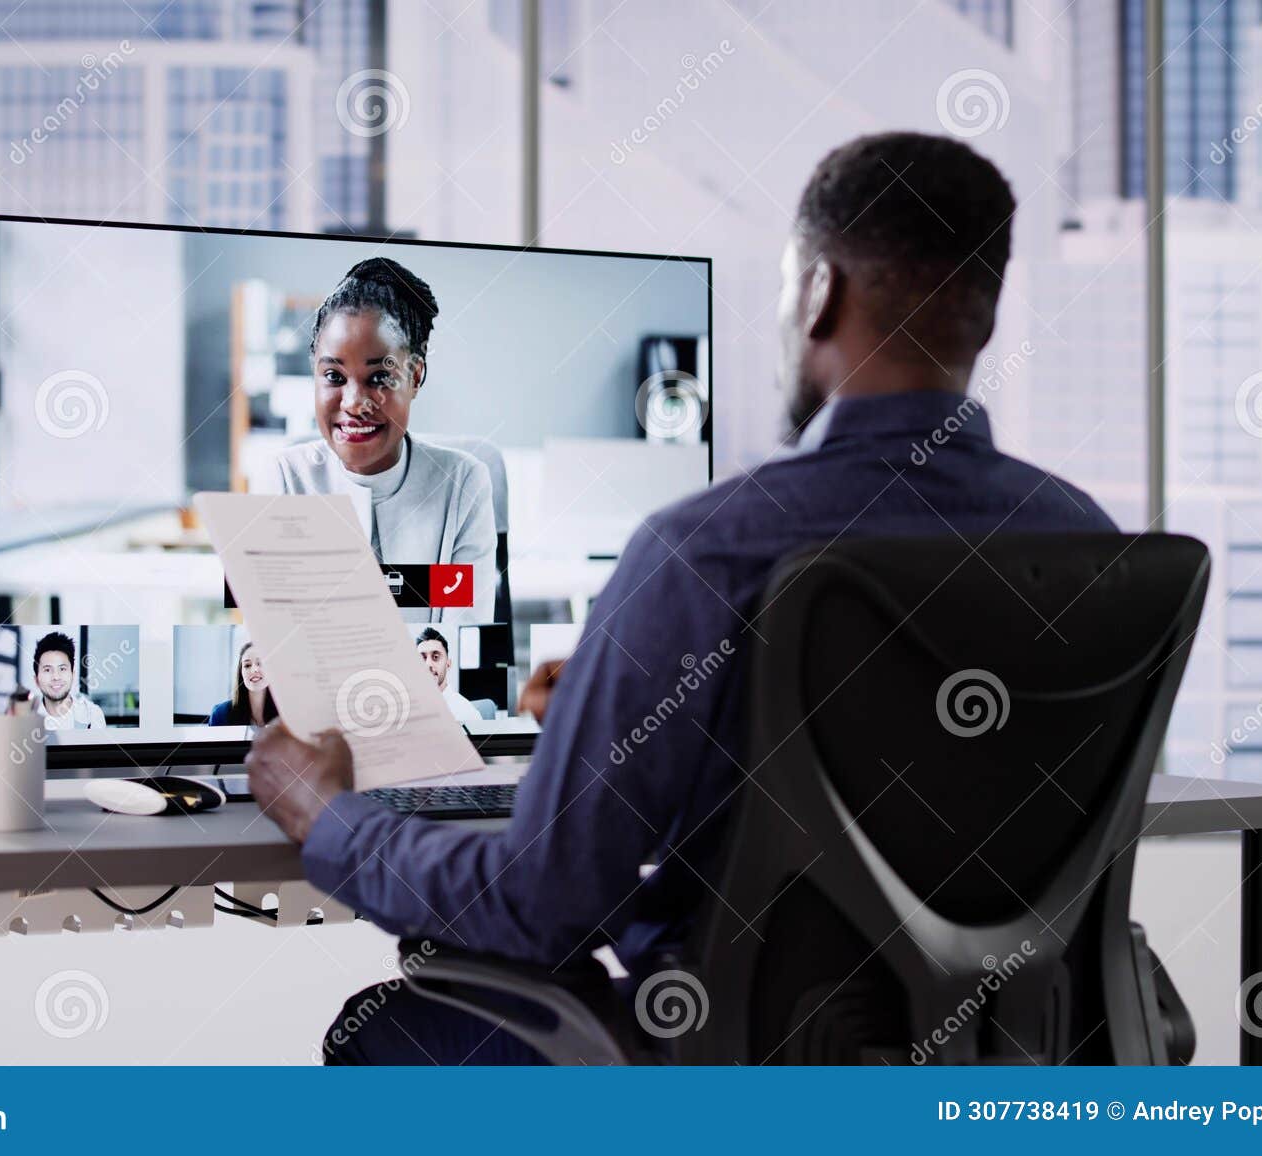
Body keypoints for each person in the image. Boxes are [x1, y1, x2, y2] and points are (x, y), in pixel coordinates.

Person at [243, 132, 1120, 1064]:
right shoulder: (1088, 545)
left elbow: (541, 903)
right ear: (982, 323)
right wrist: (646, 711)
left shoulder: (712, 547)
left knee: (381, 1030)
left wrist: (328, 814)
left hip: (738, 1061)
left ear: (817, 293)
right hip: (1008, 1054)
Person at [249, 257, 497, 627]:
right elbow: (274, 644)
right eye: (333, 375)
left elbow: (461, 649)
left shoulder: (462, 484)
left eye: (380, 377)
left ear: (415, 376)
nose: (353, 403)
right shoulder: (283, 480)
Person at [29, 630, 106, 730]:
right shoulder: (24, 719)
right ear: (36, 680)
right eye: (47, 670)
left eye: (62, 669)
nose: (56, 677)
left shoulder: (93, 715)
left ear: (73, 675)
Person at [415, 627, 481, 726]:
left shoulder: (467, 714)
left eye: (435, 657)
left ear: (448, 664)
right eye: (422, 658)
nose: (428, 664)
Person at [208, 641, 279, 727]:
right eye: (247, 665)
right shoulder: (220, 714)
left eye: (260, 663)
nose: (254, 670)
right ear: (241, 672)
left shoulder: (288, 714)